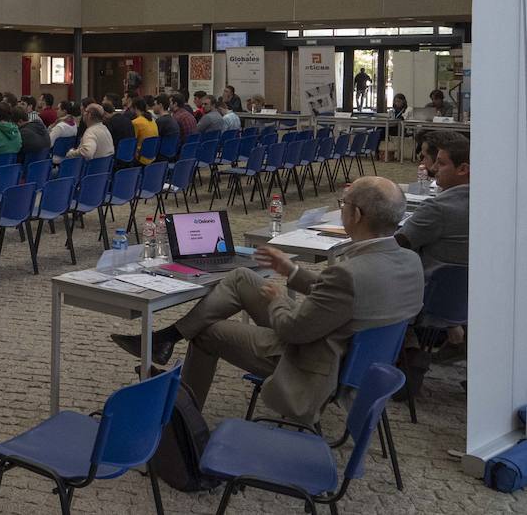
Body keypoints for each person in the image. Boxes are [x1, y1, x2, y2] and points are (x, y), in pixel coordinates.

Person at [111, 176, 424, 424]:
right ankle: (169, 337)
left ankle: (181, 420)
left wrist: (277, 299)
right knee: (243, 278)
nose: (342, 208)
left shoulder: (349, 275)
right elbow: (347, 297)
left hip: (312, 360)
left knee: (208, 333)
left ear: (355, 214)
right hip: (353, 353)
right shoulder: (409, 262)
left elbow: (291, 330)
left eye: (344, 203)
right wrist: (292, 271)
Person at [397, 131, 469, 273]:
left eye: (441, 163)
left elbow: (394, 246)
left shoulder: (437, 209)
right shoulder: (487, 204)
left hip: (430, 287)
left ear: (463, 169)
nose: (434, 168)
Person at [131, 98, 159, 164]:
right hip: (152, 157)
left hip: (140, 157)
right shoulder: (152, 121)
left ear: (135, 108)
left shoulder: (136, 122)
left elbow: (132, 141)